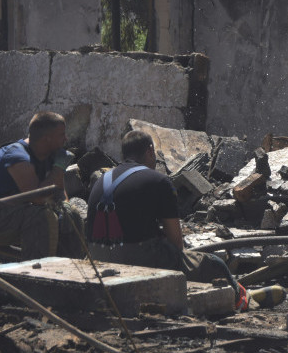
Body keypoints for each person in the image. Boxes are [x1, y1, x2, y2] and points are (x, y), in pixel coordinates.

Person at [84, 128, 245, 306]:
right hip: (136, 258)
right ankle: (241, 298)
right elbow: (176, 244)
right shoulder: (159, 181)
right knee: (214, 264)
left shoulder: (102, 179)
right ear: (150, 151)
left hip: (97, 256)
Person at [0, 111, 76, 259]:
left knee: (73, 216)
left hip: (11, 213)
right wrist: (59, 168)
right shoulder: (17, 156)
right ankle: (37, 275)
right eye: (61, 135)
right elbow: (37, 198)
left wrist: (65, 206)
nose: (66, 139)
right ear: (47, 139)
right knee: (41, 217)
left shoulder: (49, 155)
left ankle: (70, 272)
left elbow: (58, 190)